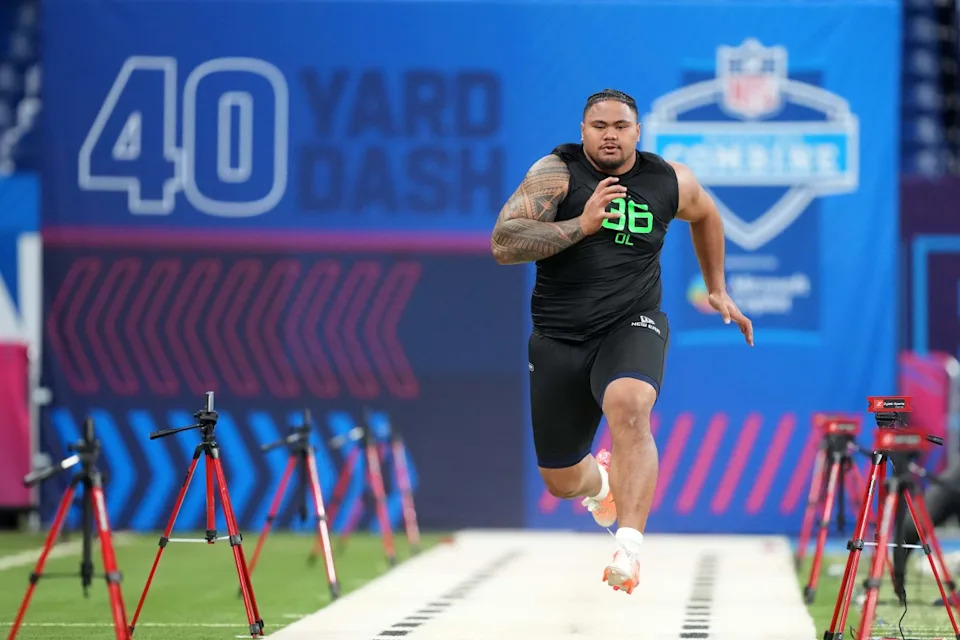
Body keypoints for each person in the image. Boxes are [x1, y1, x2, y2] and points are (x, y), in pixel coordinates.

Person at [489, 88, 754, 594]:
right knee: (562, 481)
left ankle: (629, 548)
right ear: (583, 130)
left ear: (638, 131)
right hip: (558, 336)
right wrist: (581, 224)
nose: (609, 134)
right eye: (598, 126)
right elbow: (503, 243)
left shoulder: (668, 179)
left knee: (630, 404)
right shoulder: (557, 172)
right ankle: (603, 486)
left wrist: (717, 287)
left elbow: (707, 215)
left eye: (620, 126)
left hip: (632, 321)